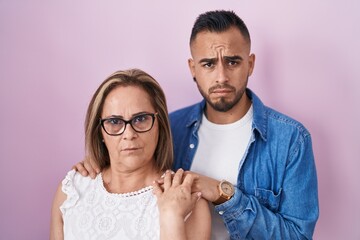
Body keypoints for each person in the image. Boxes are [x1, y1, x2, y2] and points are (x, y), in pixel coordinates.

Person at [74, 10, 319, 239]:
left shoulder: (290, 140)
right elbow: (132, 176)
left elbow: (297, 235)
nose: (221, 76)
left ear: (250, 64)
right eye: (209, 64)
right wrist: (99, 162)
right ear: (193, 68)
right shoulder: (171, 127)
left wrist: (224, 193)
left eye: (232, 62)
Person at [50, 69, 211, 240]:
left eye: (141, 119)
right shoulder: (72, 190)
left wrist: (172, 217)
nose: (128, 134)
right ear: (100, 132)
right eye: (114, 122)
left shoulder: (188, 199)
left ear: (160, 125)